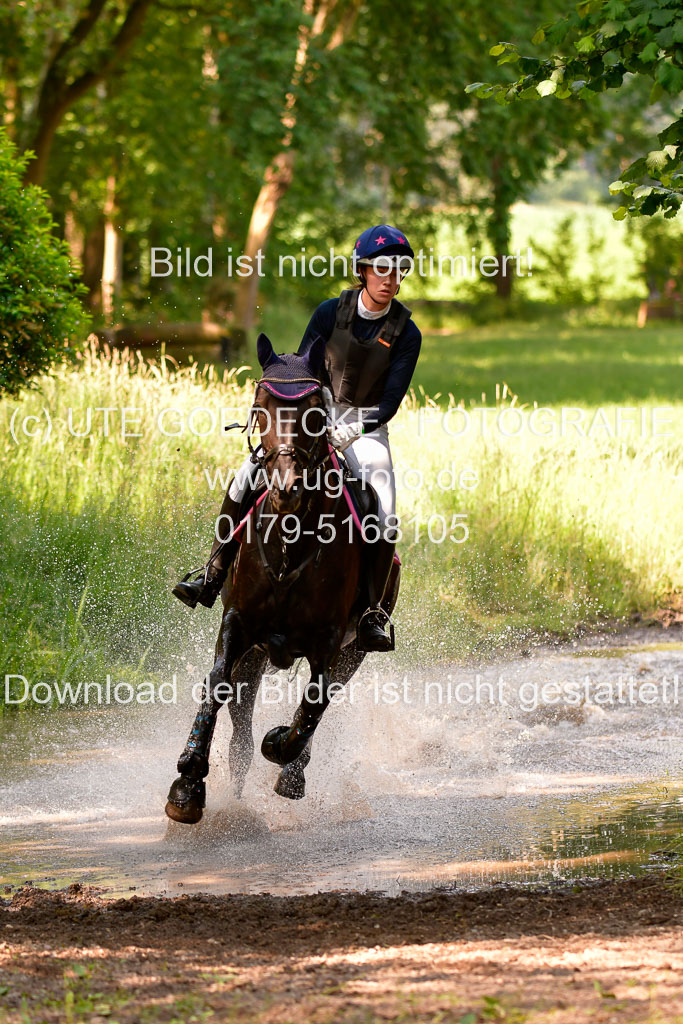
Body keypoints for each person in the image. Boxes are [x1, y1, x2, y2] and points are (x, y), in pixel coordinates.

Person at [173, 224, 422, 651]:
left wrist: (352, 429)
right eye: (382, 268)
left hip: (365, 429)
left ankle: (371, 614)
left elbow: (390, 403)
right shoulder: (329, 313)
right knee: (244, 477)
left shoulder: (407, 333)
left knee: (385, 506)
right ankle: (212, 574)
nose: (390, 278)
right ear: (362, 270)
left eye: (399, 270)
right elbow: (302, 369)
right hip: (314, 415)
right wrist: (312, 415)